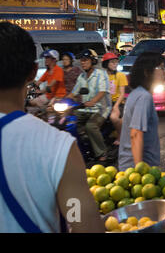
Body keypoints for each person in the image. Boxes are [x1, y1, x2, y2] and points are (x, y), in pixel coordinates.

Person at [0, 22, 103, 233]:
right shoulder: (58, 147)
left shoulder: (74, 73)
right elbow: (81, 221)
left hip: (91, 108)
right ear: (32, 72)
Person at [118, 52, 165, 171]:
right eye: (161, 68)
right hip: (139, 168)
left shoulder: (136, 93)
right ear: (146, 71)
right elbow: (135, 134)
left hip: (135, 167)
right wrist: (139, 173)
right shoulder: (144, 97)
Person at [66, 49, 111, 162]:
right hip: (85, 109)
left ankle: (102, 152)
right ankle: (81, 145)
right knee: (68, 121)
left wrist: (93, 101)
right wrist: (60, 102)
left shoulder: (101, 74)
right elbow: (73, 93)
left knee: (90, 126)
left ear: (93, 61)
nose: (82, 63)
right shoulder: (81, 77)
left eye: (85, 60)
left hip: (101, 109)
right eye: (81, 60)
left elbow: (103, 91)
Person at [102, 52, 128, 146]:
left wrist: (116, 106)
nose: (115, 64)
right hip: (103, 102)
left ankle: (120, 136)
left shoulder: (120, 76)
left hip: (116, 102)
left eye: (116, 62)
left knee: (114, 117)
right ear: (106, 64)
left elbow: (122, 94)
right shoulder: (102, 75)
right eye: (112, 62)